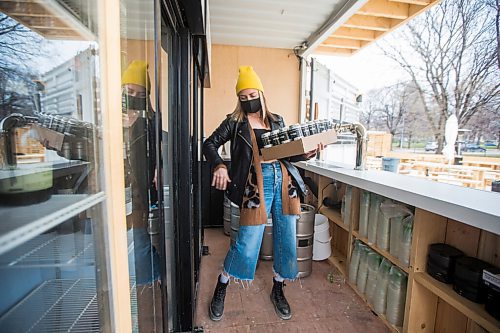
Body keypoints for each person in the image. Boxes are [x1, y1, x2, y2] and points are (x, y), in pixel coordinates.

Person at [203, 66, 324, 321]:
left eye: (252, 95)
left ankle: (278, 288)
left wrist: (309, 152)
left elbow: (288, 153)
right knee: (247, 241)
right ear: (239, 99)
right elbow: (209, 143)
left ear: (261, 93)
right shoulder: (234, 123)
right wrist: (219, 165)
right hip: (254, 186)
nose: (249, 101)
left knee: (286, 238)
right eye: (243, 97)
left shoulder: (277, 121)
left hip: (284, 182)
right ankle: (222, 285)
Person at [121, 60, 162, 331]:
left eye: (139, 93)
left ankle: (147, 286)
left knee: (138, 237)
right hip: (117, 188)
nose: (133, 97)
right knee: (127, 240)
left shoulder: (151, 121)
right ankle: (151, 277)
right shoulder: (111, 118)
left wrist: (160, 165)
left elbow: (162, 144)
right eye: (128, 91)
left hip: (139, 190)